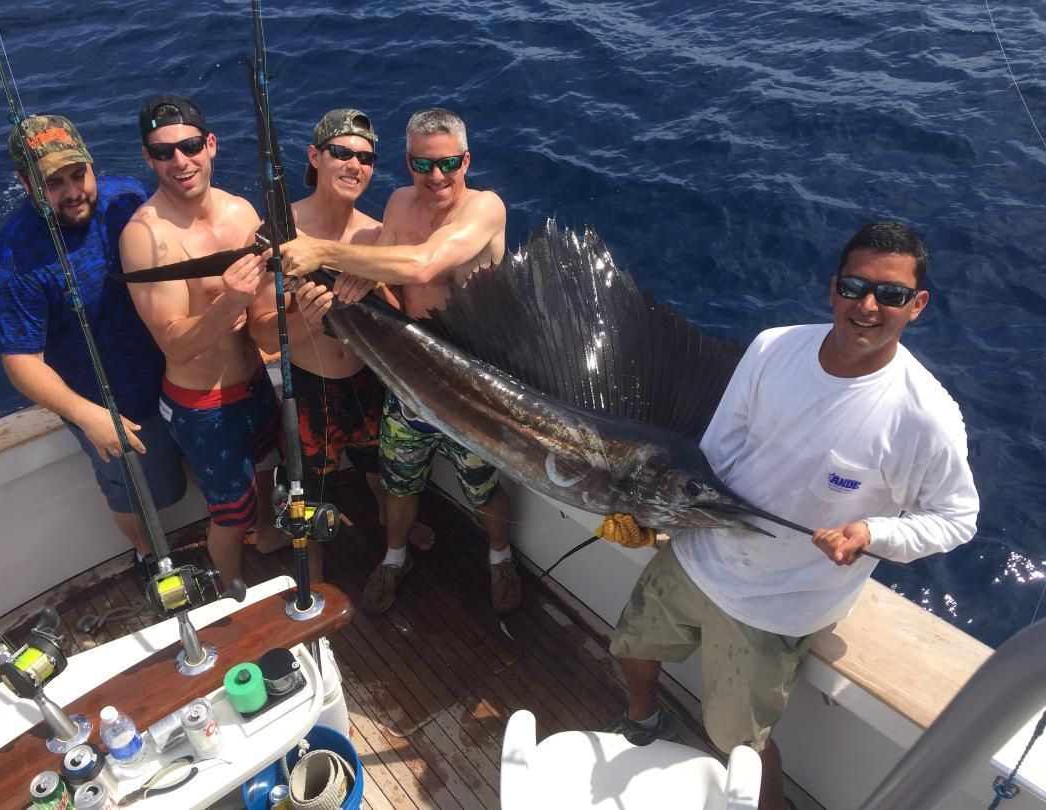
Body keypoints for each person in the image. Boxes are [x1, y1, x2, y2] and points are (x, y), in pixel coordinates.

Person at [605, 221, 979, 810]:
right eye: (855, 286)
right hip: (698, 555)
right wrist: (658, 512)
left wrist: (873, 533)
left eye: (891, 294)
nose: (868, 305)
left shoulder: (924, 416)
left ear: (917, 305)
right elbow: (717, 454)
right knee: (631, 645)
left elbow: (957, 518)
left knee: (740, 744)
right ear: (834, 288)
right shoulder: (773, 347)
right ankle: (643, 719)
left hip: (777, 604)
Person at [277, 107, 521, 616]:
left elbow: (424, 263)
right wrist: (322, 285)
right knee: (398, 482)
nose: (436, 176)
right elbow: (376, 275)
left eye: (448, 163)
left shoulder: (485, 209)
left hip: (469, 388)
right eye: (422, 165)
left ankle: (500, 557)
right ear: (408, 163)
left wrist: (320, 252)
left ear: (465, 161)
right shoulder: (397, 203)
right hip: (408, 381)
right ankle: (394, 557)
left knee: (482, 490)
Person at [0, 115, 186, 560]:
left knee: (194, 469)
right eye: (53, 183)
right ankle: (147, 555)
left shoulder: (127, 198)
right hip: (112, 408)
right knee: (143, 496)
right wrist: (89, 416)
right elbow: (20, 361)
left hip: (177, 373)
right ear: (25, 183)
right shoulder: (13, 262)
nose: (74, 191)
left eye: (79, 174)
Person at [119, 94, 297, 586]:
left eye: (190, 146)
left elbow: (265, 311)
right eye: (163, 152)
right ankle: (231, 592)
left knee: (267, 469)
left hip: (255, 382)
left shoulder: (241, 212)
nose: (180, 161)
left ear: (211, 144)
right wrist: (229, 302)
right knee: (230, 515)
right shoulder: (146, 237)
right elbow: (175, 343)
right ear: (148, 158)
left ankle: (268, 536)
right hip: (204, 405)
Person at [249, 108, 434, 550]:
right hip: (311, 391)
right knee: (309, 505)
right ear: (315, 157)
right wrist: (302, 318)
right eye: (342, 153)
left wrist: (376, 285)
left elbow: (401, 321)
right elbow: (261, 334)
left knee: (382, 477)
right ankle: (313, 575)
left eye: (365, 158)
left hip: (371, 381)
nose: (355, 165)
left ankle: (394, 531)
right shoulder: (276, 233)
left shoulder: (376, 236)